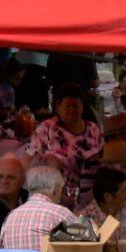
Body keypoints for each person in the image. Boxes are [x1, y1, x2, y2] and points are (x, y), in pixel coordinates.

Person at [22, 80, 102, 210]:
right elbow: (28, 159)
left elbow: (102, 159)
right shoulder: (47, 128)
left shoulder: (93, 129)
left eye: (75, 106)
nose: (71, 110)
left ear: (82, 106)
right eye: (67, 106)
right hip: (55, 194)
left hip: (91, 195)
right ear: (58, 107)